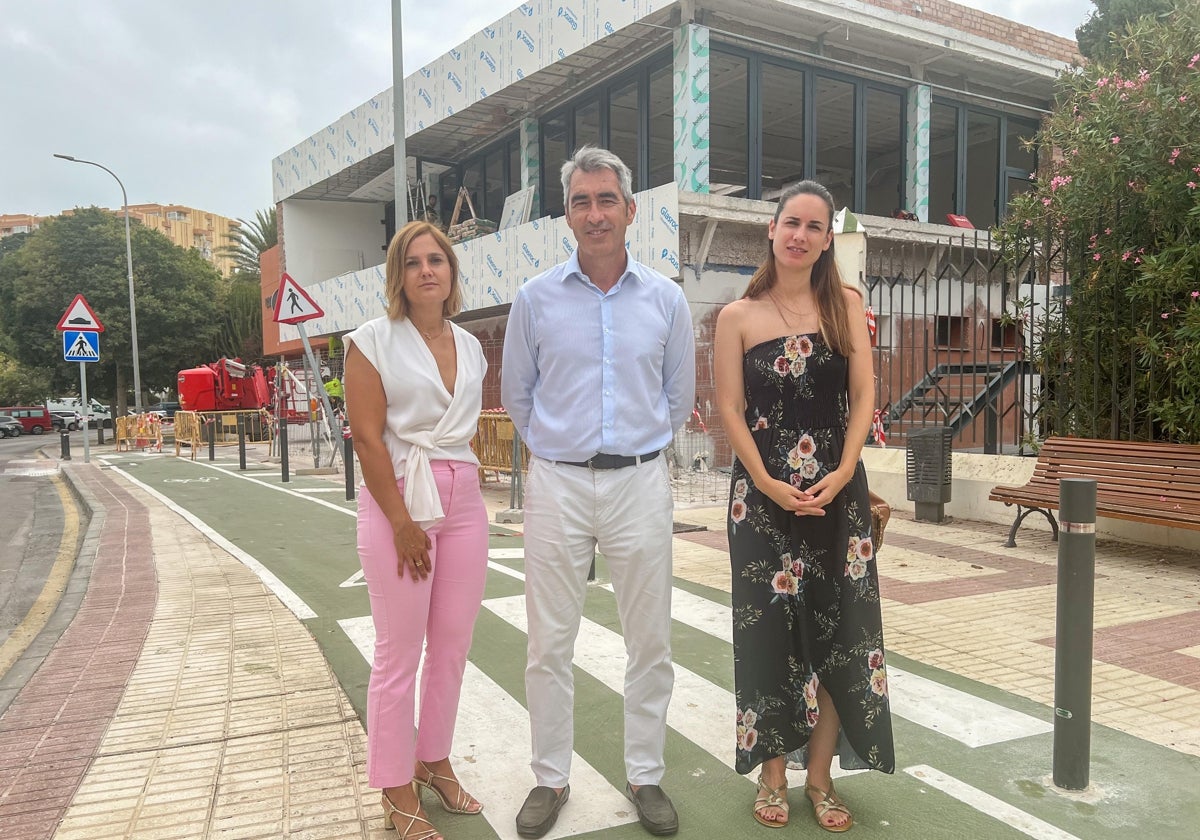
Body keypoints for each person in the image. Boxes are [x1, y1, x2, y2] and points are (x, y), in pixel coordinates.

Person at [501, 145, 696, 838]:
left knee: (650, 641)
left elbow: (678, 400)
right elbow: (517, 397)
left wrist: (632, 450)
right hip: (556, 483)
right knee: (548, 643)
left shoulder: (667, 300)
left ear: (630, 209)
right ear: (567, 215)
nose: (594, 213)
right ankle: (550, 778)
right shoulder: (534, 299)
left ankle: (645, 775)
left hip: (640, 481)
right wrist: (562, 451)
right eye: (581, 201)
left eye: (606, 199)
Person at [713, 181, 895, 832]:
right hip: (760, 501)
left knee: (841, 637)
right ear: (772, 229)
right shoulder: (737, 315)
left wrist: (845, 469)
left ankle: (818, 780)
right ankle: (771, 774)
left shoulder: (846, 304)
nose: (801, 235)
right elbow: (729, 410)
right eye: (792, 222)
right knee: (769, 634)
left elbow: (866, 392)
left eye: (815, 227)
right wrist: (763, 480)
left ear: (826, 240)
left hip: (836, 495)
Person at [343, 220, 489, 840]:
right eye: (413, 262)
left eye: (437, 260)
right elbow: (369, 441)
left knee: (453, 646)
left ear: (452, 273)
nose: (427, 270)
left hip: (464, 499)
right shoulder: (371, 341)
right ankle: (394, 785)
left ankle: (433, 758)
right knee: (398, 652)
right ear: (398, 276)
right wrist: (402, 523)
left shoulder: (472, 345)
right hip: (401, 497)